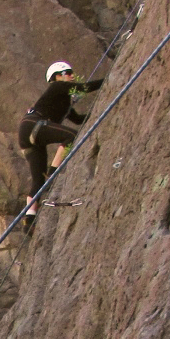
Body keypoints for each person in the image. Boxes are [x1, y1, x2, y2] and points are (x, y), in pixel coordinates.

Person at [17, 62, 104, 220]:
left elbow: (77, 119)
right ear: (57, 76)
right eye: (68, 72)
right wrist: (108, 80)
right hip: (33, 125)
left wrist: (98, 111)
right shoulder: (58, 86)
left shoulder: (63, 102)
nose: (71, 75)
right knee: (71, 136)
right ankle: (53, 172)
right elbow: (84, 88)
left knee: (38, 180)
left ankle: (29, 220)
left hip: (26, 133)